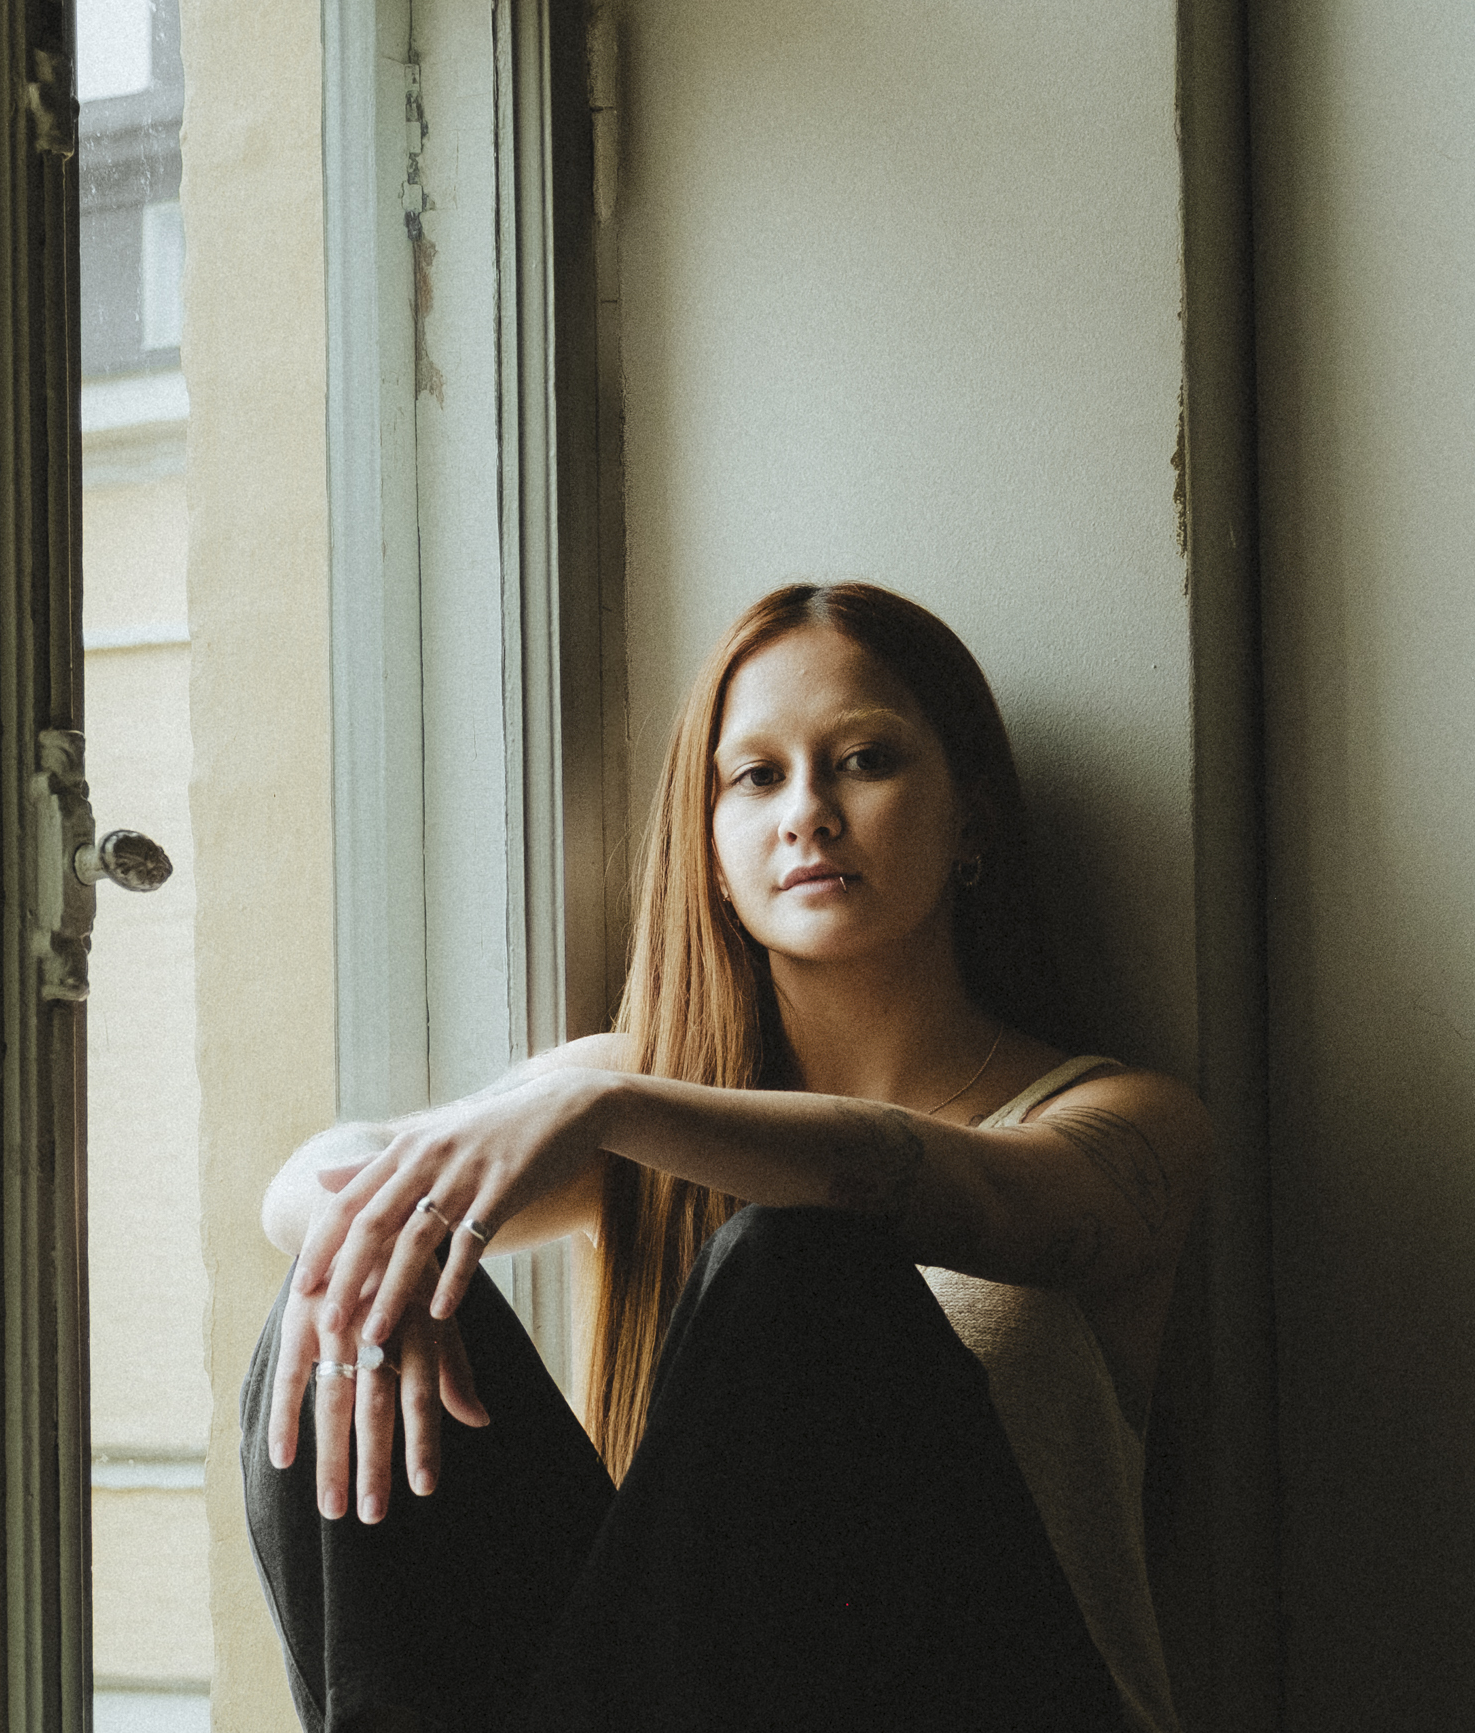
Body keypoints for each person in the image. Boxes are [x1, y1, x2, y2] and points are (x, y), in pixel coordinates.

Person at [242, 582, 1209, 1733]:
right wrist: (367, 1258)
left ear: (973, 818)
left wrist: (602, 1105)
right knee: (344, 1305)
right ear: (708, 850)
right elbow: (311, 1178)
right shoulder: (638, 1095)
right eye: (756, 776)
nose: (808, 811)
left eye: (863, 759)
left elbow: (964, 1192)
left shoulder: (1124, 1117)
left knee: (800, 1271)